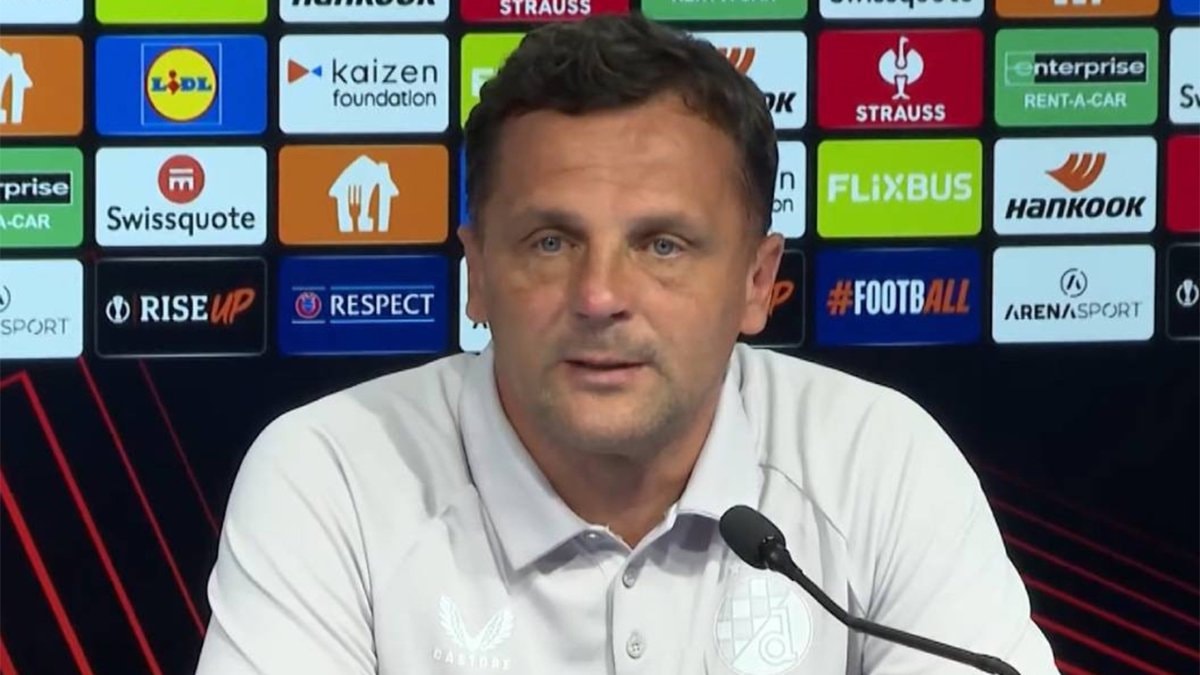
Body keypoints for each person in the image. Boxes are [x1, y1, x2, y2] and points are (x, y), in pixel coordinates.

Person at [195, 14, 1059, 675]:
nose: (600, 296)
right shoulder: (330, 478)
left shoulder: (880, 460)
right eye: (550, 242)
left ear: (757, 281)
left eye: (663, 245)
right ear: (478, 275)